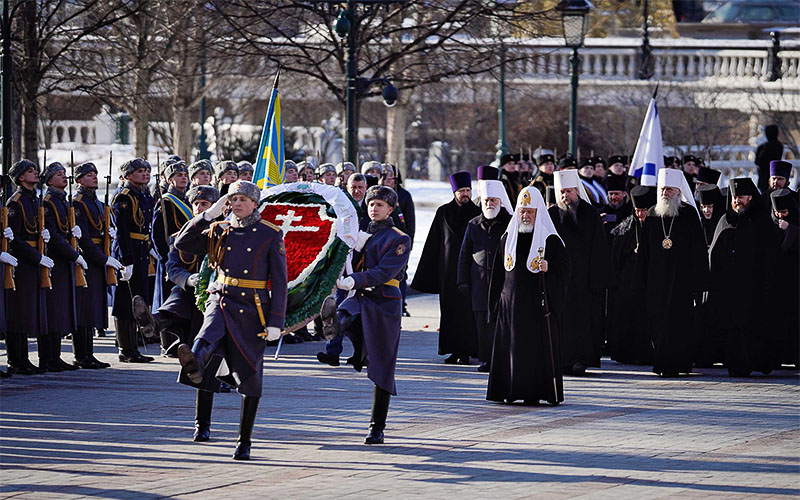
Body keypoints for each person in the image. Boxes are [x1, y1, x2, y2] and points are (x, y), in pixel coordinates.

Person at [174, 180, 287, 460]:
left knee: (249, 375)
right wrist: (207, 215)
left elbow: (280, 282)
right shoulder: (219, 228)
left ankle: (244, 440)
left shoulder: (269, 234)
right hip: (221, 297)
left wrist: (276, 322)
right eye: (233, 199)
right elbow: (182, 243)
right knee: (207, 332)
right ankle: (194, 362)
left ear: (255, 204)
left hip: (252, 307)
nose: (236, 204)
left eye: (242, 199)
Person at [320, 185, 411, 444]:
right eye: (371, 204)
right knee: (344, 314)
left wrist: (355, 279)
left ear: (390, 209)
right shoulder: (360, 235)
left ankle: (376, 427)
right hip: (360, 298)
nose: (374, 208)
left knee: (382, 366)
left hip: (384, 302)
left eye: (380, 205)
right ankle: (335, 335)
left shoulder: (398, 238)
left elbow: (385, 272)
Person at [487, 187, 567, 405]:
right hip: (509, 307)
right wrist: (493, 307)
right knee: (510, 351)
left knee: (532, 353)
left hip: (535, 307)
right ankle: (509, 390)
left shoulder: (550, 239)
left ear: (538, 213)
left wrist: (550, 267)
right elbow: (497, 275)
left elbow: (565, 270)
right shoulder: (508, 237)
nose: (525, 216)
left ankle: (533, 392)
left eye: (530, 212)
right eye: (522, 211)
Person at [636, 169, 709, 377]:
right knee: (658, 322)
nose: (665, 193)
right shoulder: (651, 214)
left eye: (669, 189)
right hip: (656, 281)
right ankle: (661, 363)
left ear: (678, 191)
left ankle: (680, 363)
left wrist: (698, 283)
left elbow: (698, 250)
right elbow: (644, 252)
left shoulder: (688, 214)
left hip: (681, 280)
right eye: (662, 189)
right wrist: (640, 279)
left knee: (680, 324)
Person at [133, 185, 220, 357]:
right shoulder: (179, 236)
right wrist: (188, 279)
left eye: (204, 204)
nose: (199, 208)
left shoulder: (225, 233)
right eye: (196, 204)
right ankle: (154, 321)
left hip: (217, 292)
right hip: (190, 289)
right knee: (178, 299)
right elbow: (172, 267)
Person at [549, 169, 616, 375]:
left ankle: (581, 359)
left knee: (584, 321)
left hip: (585, 277)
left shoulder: (590, 214)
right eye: (561, 192)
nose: (564, 196)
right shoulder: (551, 214)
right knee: (562, 320)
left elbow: (599, 247)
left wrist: (598, 278)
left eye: (568, 191)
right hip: (561, 277)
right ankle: (562, 359)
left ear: (577, 191)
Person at [707, 177, 776, 377]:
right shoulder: (724, 220)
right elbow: (715, 253)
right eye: (735, 197)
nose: (738, 201)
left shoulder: (762, 220)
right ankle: (736, 365)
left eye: (743, 197)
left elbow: (770, 255)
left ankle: (757, 362)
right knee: (732, 328)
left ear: (751, 197)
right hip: (728, 287)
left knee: (753, 326)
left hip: (754, 285)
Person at [412, 171, 481, 364]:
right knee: (449, 312)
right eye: (462, 191)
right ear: (454, 192)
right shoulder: (443, 212)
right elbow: (434, 242)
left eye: (468, 190)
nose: (466, 194)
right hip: (448, 270)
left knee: (467, 313)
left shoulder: (477, 213)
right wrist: (429, 273)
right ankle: (453, 350)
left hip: (470, 269)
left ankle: (468, 351)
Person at [457, 166, 513, 372]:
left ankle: (502, 358)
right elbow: (465, 254)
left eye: (493, 200)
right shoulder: (473, 224)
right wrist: (462, 280)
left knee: (501, 322)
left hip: (503, 283)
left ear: (500, 201)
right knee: (482, 324)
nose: (489, 204)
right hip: (479, 282)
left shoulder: (509, 223)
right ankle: (487, 359)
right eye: (487, 201)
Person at [73, 162, 119, 368]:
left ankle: (88, 353)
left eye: (95, 174)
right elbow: (83, 239)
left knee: (93, 307)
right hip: (88, 259)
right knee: (84, 308)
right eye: (88, 174)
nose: (94, 177)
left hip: (98, 256)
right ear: (79, 180)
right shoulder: (78, 203)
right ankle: (81, 354)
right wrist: (102, 258)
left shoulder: (97, 202)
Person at [5, 160, 49, 375]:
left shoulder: (34, 200)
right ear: (21, 178)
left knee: (28, 311)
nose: (36, 173)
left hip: (33, 260)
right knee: (19, 311)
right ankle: (17, 359)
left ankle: (25, 358)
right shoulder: (17, 202)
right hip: (22, 262)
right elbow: (16, 240)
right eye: (30, 171)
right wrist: (36, 256)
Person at [39, 162, 84, 372]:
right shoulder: (48, 202)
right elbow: (54, 237)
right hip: (55, 261)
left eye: (65, 174)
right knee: (53, 309)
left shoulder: (62, 201)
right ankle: (47, 357)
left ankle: (54, 356)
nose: (65, 177)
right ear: (49, 180)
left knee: (59, 310)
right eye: (59, 174)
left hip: (63, 261)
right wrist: (74, 255)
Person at [112, 158, 156, 363]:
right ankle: (125, 349)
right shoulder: (124, 197)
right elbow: (122, 232)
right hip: (129, 252)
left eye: (147, 171)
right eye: (140, 171)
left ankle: (134, 348)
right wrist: (125, 260)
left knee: (138, 300)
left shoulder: (144, 196)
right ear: (128, 176)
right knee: (125, 302)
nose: (145, 174)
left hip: (142, 252)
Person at [607, 186, 655, 364]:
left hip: (650, 282)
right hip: (627, 282)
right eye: (638, 210)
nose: (641, 214)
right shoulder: (626, 228)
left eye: (644, 210)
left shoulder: (658, 227)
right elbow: (616, 258)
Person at [768, 188, 799, 368]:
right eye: (777, 212)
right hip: (776, 280)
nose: (780, 215)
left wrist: (791, 231)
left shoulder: (794, 221)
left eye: (784, 212)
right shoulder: (769, 223)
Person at [380, 163, 416, 316]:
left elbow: (410, 222)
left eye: (392, 178)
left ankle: (400, 304)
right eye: (386, 177)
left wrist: (409, 243)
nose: (390, 180)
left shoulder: (404, 195)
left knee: (400, 275)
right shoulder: (377, 194)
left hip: (400, 242)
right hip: (381, 243)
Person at [754, 124, 783, 193]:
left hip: (765, 176)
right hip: (773, 175)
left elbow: (758, 161)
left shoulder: (764, 147)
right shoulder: (779, 146)